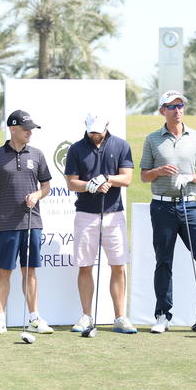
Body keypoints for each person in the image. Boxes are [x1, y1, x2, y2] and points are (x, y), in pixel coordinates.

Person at [139, 90, 196, 334]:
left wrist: (190, 177)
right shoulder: (152, 139)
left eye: (180, 106)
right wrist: (158, 171)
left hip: (189, 205)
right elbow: (144, 176)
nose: (177, 110)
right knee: (164, 261)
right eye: (171, 106)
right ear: (162, 111)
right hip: (162, 206)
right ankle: (162, 315)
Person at [0, 109, 54, 335]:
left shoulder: (37, 155)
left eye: (31, 129)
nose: (30, 133)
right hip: (6, 223)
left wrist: (37, 194)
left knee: (30, 271)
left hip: (32, 222)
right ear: (13, 129)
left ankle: (34, 318)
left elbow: (46, 186)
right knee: (4, 271)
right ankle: (0, 319)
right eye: (26, 129)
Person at [65, 112, 137, 334]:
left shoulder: (121, 145)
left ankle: (120, 317)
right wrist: (90, 185)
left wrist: (107, 179)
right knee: (85, 265)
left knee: (118, 265)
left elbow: (127, 178)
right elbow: (71, 183)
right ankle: (86, 316)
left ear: (107, 126)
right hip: (86, 214)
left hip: (114, 214)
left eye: (98, 131)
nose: (95, 135)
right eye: (91, 131)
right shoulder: (76, 149)